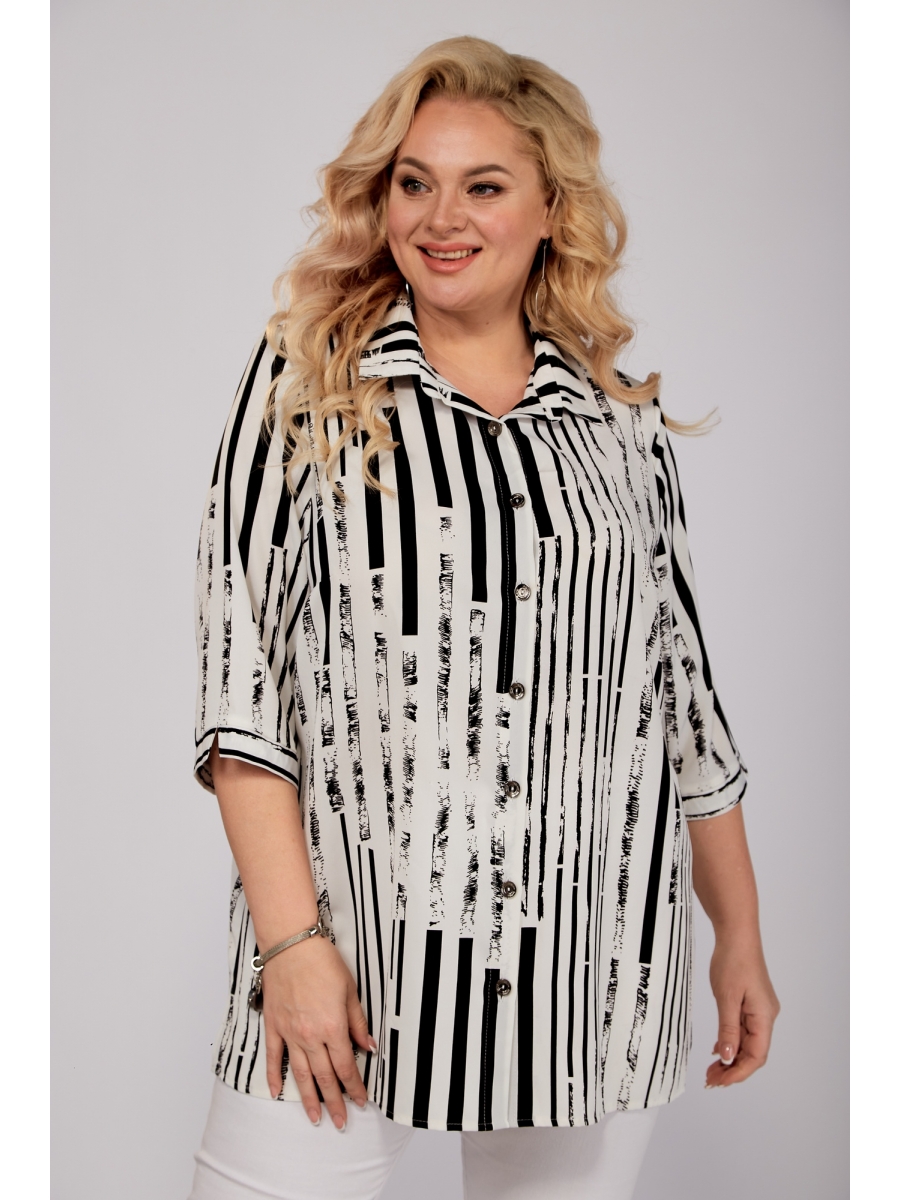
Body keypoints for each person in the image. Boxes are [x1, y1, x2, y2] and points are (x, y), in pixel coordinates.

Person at [188, 36, 779, 1200]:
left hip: (592, 976)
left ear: (552, 209)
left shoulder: (619, 425)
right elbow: (241, 686)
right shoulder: (306, 381)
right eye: (415, 182)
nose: (441, 217)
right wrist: (291, 948)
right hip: (353, 957)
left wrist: (742, 937)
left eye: (484, 185)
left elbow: (683, 701)